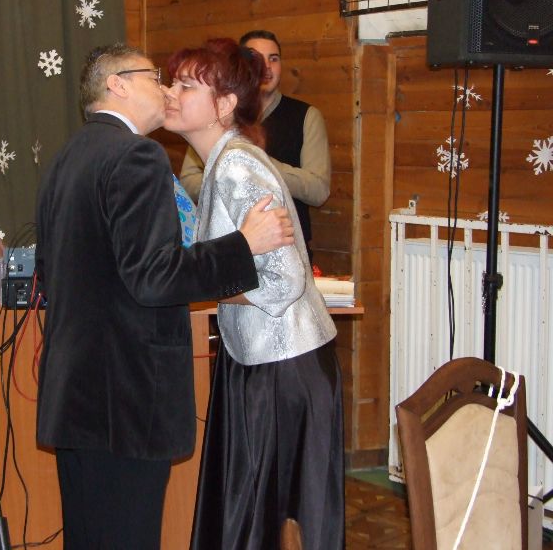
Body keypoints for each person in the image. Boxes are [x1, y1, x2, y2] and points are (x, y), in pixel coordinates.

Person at [34, 42, 295, 550]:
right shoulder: (136, 155)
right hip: (125, 403)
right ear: (118, 84)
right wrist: (243, 245)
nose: (166, 88)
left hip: (77, 396)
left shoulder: (69, 155)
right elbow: (153, 278)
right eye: (154, 76)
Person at [163, 38, 343, 550]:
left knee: (276, 524)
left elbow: (284, 281)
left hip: (284, 370)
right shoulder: (222, 162)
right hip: (261, 362)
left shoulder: (239, 167)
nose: (171, 94)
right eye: (173, 82)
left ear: (224, 105)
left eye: (187, 86)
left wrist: (201, 287)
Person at [179, 29, 331, 261]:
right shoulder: (216, 115)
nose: (266, 67)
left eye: (274, 59)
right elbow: (188, 181)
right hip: (226, 250)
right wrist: (233, 177)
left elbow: (318, 190)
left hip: (287, 252)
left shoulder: (306, 116)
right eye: (257, 59)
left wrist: (259, 165)